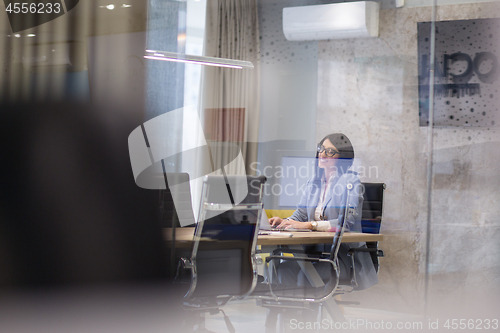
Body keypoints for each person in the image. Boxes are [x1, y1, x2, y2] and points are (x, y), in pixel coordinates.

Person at [270, 133, 378, 290]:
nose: (322, 154)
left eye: (330, 152)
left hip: (340, 257)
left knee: (304, 275)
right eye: (321, 149)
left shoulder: (351, 182)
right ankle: (288, 312)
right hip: (313, 253)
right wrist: (285, 221)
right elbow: (300, 215)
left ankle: (307, 313)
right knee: (284, 269)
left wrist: (309, 225)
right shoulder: (313, 182)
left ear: (343, 158)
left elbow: (345, 223)